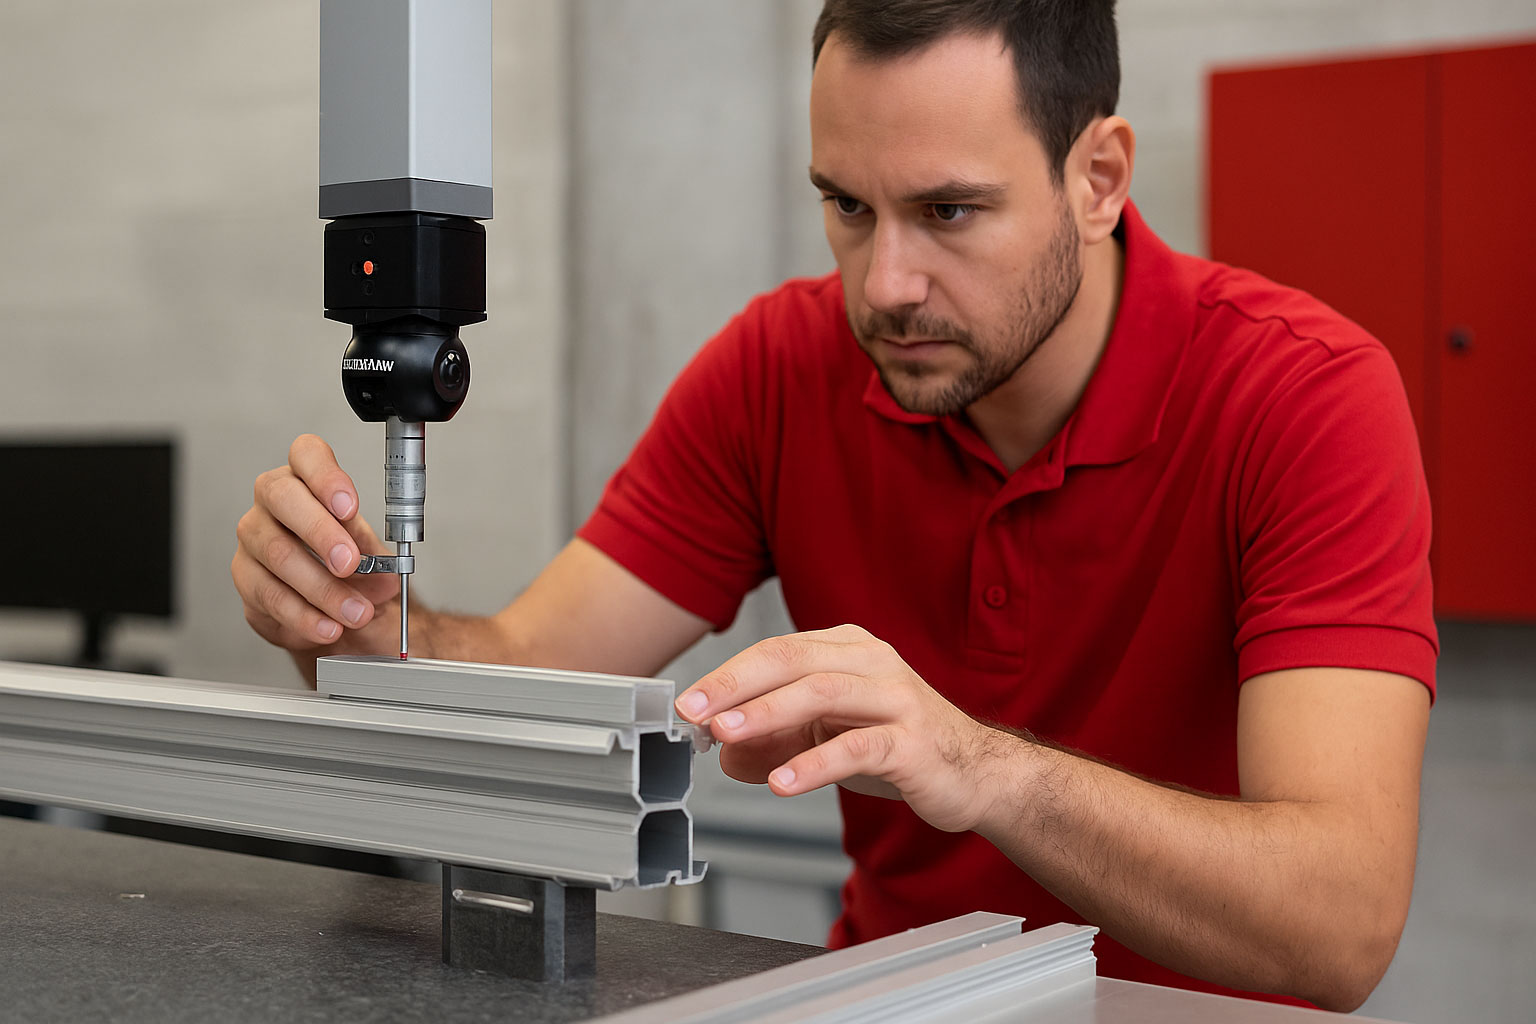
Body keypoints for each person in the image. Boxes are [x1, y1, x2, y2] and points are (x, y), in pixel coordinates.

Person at [232, 0, 1434, 1010]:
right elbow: (518, 683)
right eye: (847, 206)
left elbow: (1339, 924)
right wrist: (358, 623)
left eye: (948, 212)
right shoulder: (779, 369)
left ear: (1099, 178)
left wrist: (986, 767)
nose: (886, 284)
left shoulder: (1304, 398)